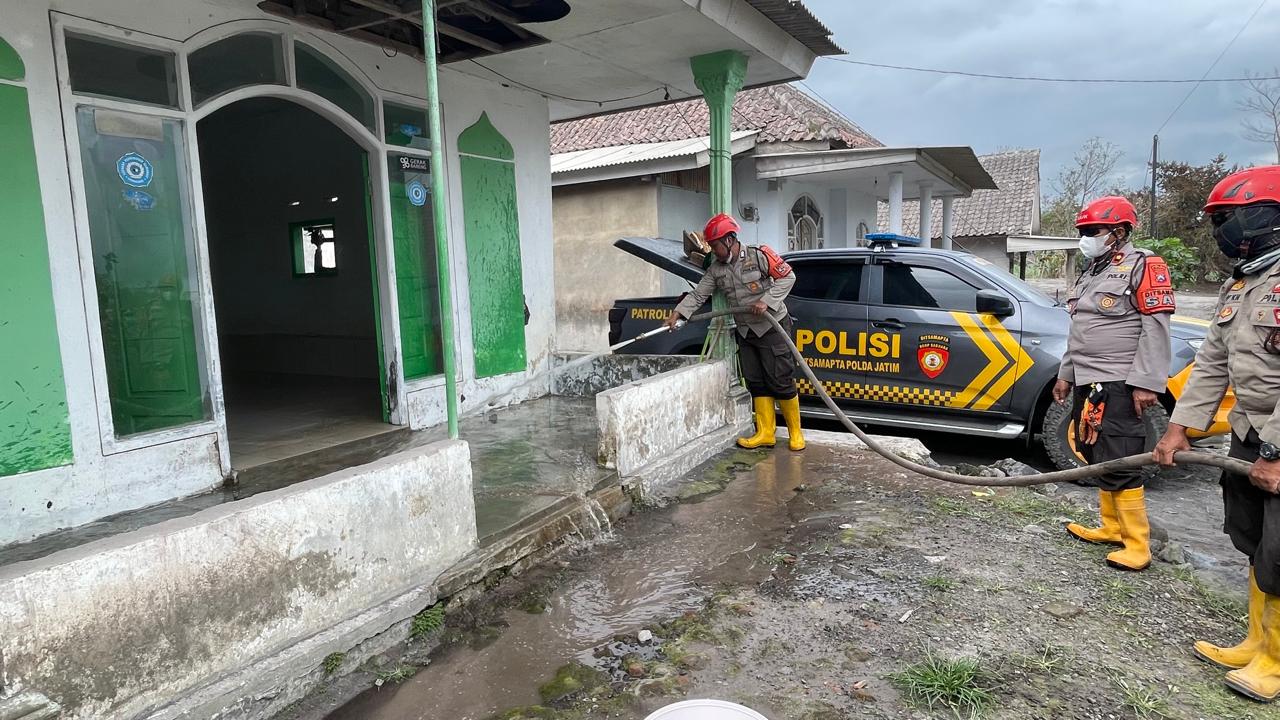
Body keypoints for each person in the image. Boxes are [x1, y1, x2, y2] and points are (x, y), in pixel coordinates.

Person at [1153, 166, 1280, 702]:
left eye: (1227, 218)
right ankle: (1256, 642)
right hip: (1250, 432)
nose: (1220, 231)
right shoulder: (1243, 284)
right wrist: (1179, 428)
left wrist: (1276, 451)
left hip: (1277, 439)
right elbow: (1211, 364)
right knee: (1251, 538)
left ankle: (1276, 661)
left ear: (1267, 216)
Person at [1054, 195, 1175, 571]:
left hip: (1120, 381)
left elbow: (1156, 329)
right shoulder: (1091, 271)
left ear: (1119, 232)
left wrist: (1147, 383)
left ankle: (1137, 545)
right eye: (1083, 231)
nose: (1086, 237)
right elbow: (1080, 330)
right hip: (1088, 380)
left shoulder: (1144, 265)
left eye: (1094, 230)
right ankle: (1111, 527)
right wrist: (1066, 374)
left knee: (1121, 456)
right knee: (1095, 451)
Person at [664, 213, 805, 451]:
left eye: (715, 245)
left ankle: (796, 434)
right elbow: (699, 294)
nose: (713, 251)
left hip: (772, 326)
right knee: (756, 382)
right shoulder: (716, 269)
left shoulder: (759, 255)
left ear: (729, 240)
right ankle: (766, 433)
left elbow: (787, 277)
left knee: (780, 380)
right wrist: (679, 313)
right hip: (746, 330)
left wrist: (766, 302)